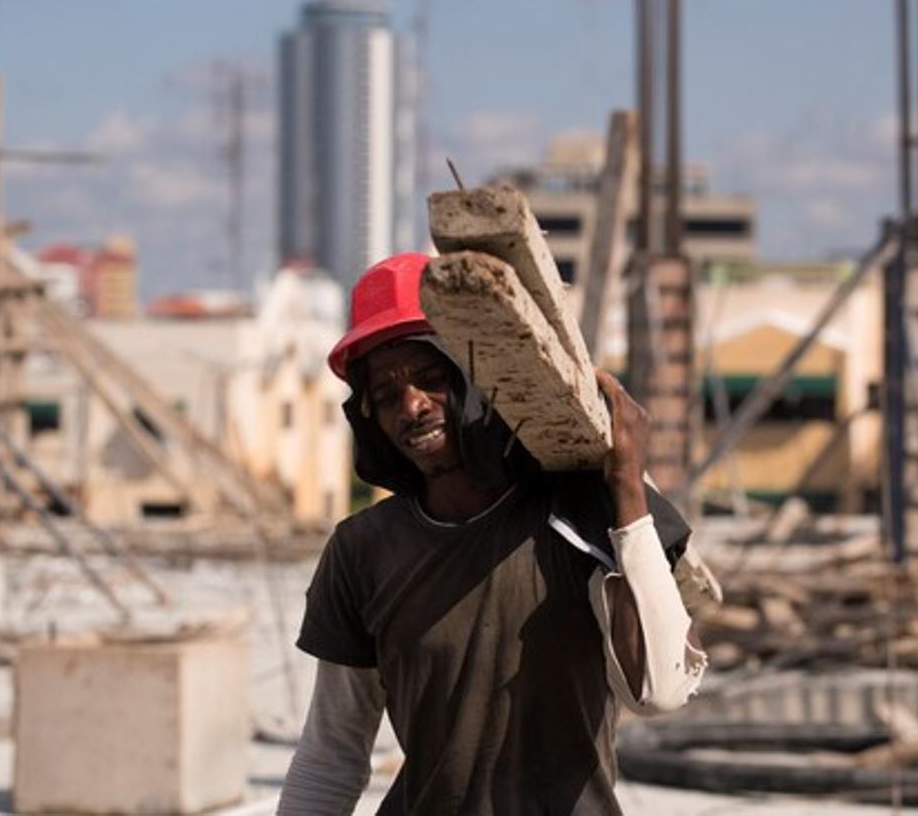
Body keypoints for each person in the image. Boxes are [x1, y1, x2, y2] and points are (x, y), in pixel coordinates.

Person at [277, 253, 706, 814]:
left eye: (432, 379)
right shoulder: (363, 551)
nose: (411, 406)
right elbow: (331, 754)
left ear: (480, 377)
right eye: (386, 395)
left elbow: (661, 691)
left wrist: (626, 482)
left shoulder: (578, 512)